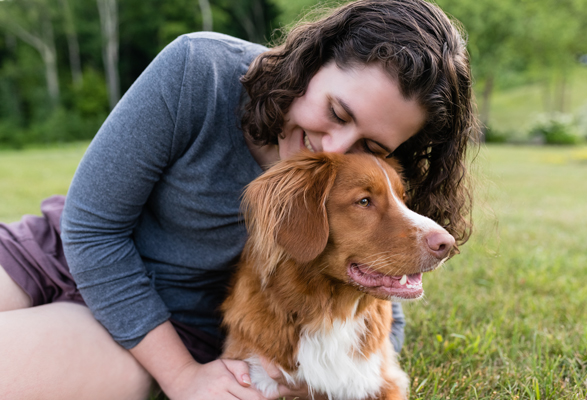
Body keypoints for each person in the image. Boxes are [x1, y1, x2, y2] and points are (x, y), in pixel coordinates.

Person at [0, 0, 477, 399]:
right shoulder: (197, 71)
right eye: (335, 111)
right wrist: (183, 382)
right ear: (312, 61)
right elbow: (91, 229)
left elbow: (370, 268)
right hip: (47, 254)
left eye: (370, 147)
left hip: (153, 331)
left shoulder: (352, 184)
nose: (334, 148)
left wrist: (180, 368)